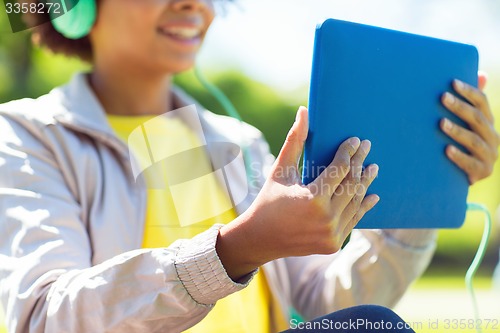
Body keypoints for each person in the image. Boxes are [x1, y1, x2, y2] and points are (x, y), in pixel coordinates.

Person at [0, 0, 498, 332]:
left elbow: (330, 302)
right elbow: (42, 317)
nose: (194, 4)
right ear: (75, 7)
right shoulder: (27, 135)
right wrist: (236, 249)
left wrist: (431, 185)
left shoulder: (240, 143)